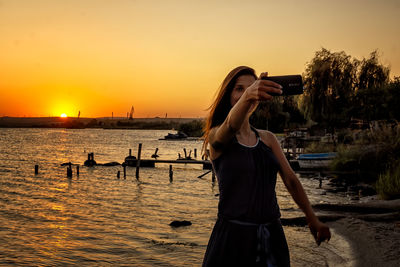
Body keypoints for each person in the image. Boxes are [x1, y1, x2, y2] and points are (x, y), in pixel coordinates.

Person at [202, 66, 331, 266]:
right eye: (239, 89)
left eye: (251, 88)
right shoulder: (217, 136)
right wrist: (248, 96)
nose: (246, 93)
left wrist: (312, 218)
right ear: (228, 95)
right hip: (233, 239)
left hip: (272, 236)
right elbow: (230, 126)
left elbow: (291, 180)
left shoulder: (268, 139)